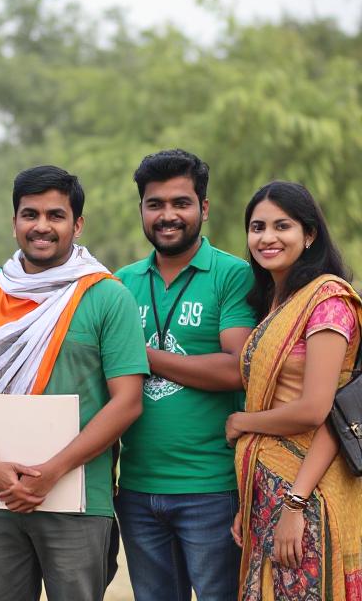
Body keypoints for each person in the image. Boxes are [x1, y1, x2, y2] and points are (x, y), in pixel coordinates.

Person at [0, 164, 148, 601]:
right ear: (14, 221)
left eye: (55, 215)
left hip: (77, 498)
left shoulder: (106, 295)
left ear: (77, 224)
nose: (42, 226)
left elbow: (128, 402)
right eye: (30, 214)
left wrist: (52, 472)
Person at [115, 148, 256, 601]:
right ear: (141, 210)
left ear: (204, 208)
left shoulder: (234, 275)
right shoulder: (120, 284)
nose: (167, 215)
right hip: (136, 488)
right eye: (155, 204)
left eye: (181, 203)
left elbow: (237, 368)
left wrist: (143, 356)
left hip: (211, 488)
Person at [226, 181, 362, 600]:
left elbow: (319, 409)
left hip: (307, 492)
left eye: (281, 226)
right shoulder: (277, 302)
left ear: (309, 234)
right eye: (257, 227)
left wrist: (294, 504)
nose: (266, 238)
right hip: (265, 491)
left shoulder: (327, 303)